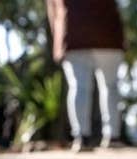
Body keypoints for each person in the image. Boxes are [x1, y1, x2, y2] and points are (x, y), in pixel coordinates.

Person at [45, 0, 125, 151]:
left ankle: (82, 137)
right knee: (110, 86)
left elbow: (53, 9)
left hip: (74, 35)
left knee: (79, 87)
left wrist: (58, 42)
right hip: (107, 35)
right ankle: (112, 136)